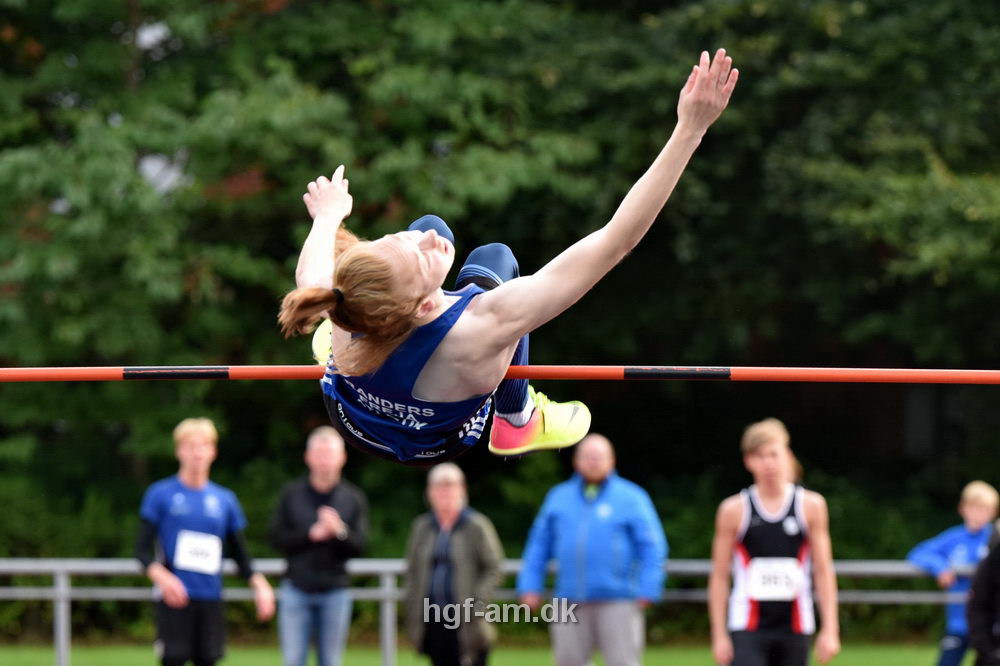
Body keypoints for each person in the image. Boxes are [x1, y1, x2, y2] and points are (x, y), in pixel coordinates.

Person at [277, 49, 739, 465]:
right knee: (494, 261)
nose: (428, 240)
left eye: (406, 238)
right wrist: (689, 130)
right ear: (424, 304)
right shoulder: (486, 323)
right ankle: (516, 418)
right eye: (422, 255)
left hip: (351, 417)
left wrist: (328, 216)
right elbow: (615, 241)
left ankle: (349, 346)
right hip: (442, 440)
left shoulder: (344, 298)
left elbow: (311, 274)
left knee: (423, 231)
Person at [517, 433, 668, 666]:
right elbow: (538, 545)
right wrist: (530, 585)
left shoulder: (632, 497)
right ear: (576, 461)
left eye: (599, 457)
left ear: (612, 460)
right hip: (568, 599)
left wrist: (649, 587)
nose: (593, 462)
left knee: (622, 662)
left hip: (619, 600)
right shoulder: (558, 497)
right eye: (587, 456)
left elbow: (652, 546)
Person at [135, 417, 275, 666]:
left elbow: (239, 553)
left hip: (210, 597)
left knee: (208, 659)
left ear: (213, 451)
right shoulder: (160, 494)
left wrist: (260, 585)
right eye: (191, 446)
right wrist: (163, 578)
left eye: (203, 446)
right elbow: (141, 550)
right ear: (179, 451)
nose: (197, 453)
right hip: (174, 598)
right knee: (174, 658)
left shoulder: (224, 500)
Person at [708, 418, 840, 666]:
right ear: (748, 461)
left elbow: (823, 570)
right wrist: (719, 635)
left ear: (787, 455)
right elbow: (719, 575)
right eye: (760, 456)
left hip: (796, 623)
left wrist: (830, 629)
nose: (768, 463)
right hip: (747, 624)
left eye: (773, 454)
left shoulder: (810, 506)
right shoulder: (733, 510)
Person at [268, 426, 370, 666]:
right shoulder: (291, 494)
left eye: (330, 454)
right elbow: (275, 538)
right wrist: (310, 535)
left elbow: (360, 546)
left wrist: (339, 532)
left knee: (331, 661)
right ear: (308, 457)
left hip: (336, 591)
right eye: (320, 454)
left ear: (342, 458)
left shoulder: (353, 498)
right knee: (293, 660)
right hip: (296, 589)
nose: (325, 461)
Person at [405, 463, 505, 666]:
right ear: (429, 492)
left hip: (468, 618)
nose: (444, 492)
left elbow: (494, 567)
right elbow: (412, 571)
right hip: (432, 619)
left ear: (462, 489)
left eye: (449, 485)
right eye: (438, 486)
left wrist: (477, 602)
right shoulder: (422, 527)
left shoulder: (477, 525)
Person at [909, 481, 999, 666]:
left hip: (989, 624)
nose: (979, 514)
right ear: (962, 508)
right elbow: (919, 552)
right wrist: (940, 567)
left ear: (993, 512)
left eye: (985, 509)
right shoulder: (954, 537)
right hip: (959, 623)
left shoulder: (995, 539)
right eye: (974, 508)